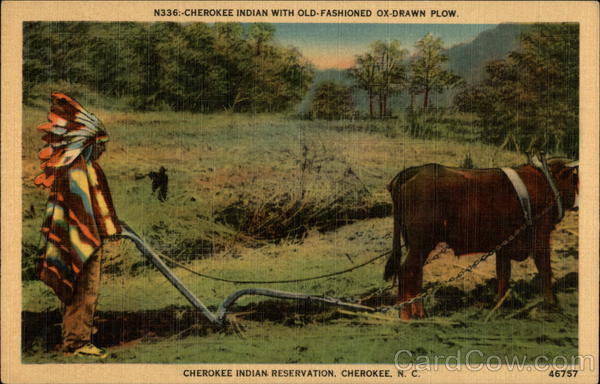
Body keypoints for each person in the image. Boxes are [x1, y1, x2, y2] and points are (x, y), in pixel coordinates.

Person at [35, 93, 121, 358]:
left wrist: (112, 228)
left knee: (86, 291)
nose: (103, 150)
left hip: (88, 239)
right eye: (100, 145)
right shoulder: (74, 171)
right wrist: (100, 232)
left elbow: (98, 205)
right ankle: (76, 342)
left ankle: (79, 336)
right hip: (79, 243)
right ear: (87, 144)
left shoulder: (89, 168)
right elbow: (81, 212)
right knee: (82, 290)